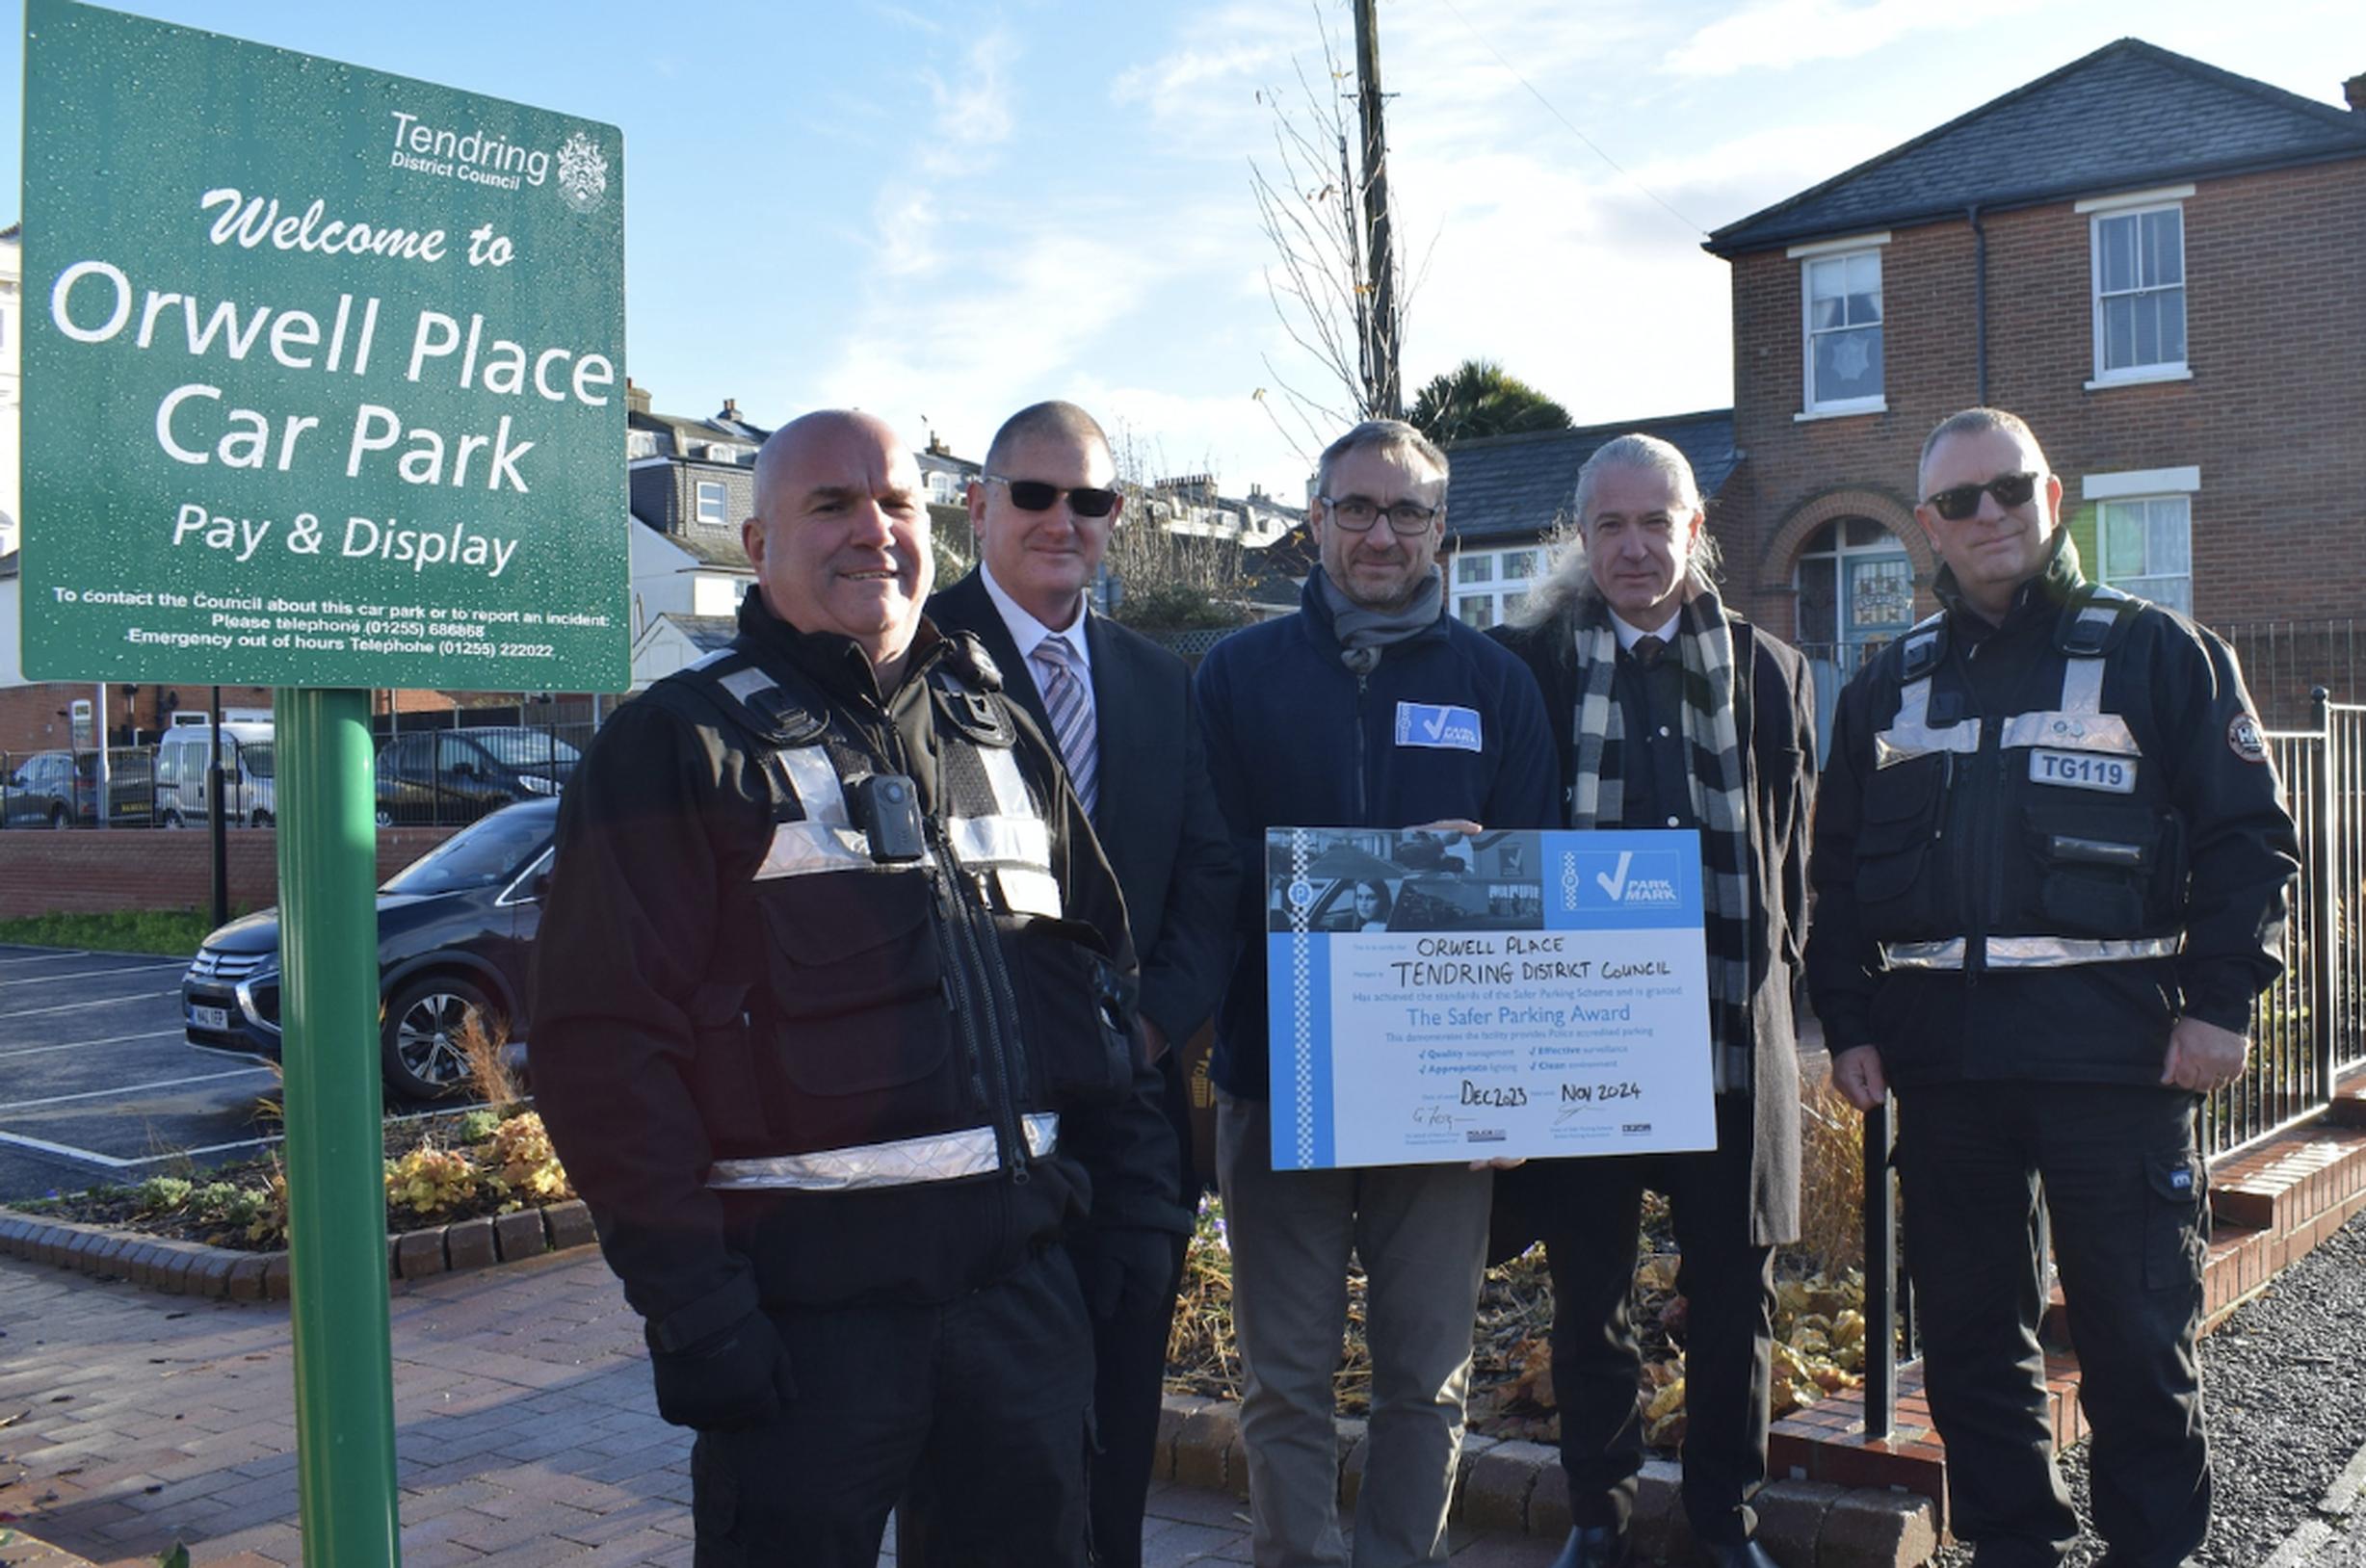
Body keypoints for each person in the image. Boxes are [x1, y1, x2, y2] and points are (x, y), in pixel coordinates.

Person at [528, 409, 1181, 1568]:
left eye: (894, 504)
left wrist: (1127, 1229)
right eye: (830, 505)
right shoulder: (674, 744)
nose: (871, 530)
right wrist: (695, 1307)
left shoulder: (999, 728)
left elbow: (1098, 990)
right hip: (801, 1334)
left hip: (1021, 1312)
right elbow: (601, 1053)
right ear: (756, 535)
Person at [1808, 407, 2300, 1567]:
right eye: (1959, 500)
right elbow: (1830, 877)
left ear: (2051, 495)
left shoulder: (2155, 650)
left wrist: (2220, 1003)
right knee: (1973, 1338)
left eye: (2007, 488)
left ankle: (2151, 1551)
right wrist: (1847, 1021)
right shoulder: (1884, 684)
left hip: (2112, 1062)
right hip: (1945, 1068)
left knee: (2133, 1331)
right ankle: (2011, 1546)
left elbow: (2247, 842)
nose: (1988, 515)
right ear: (1925, 523)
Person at [1196, 418, 1558, 1568]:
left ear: (1441, 530)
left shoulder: (1495, 683)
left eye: (1406, 511)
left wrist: (1514, 1087)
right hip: (1279, 1067)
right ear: (1313, 520)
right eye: (1355, 507)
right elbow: (1201, 862)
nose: (1380, 532)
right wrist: (1368, 868)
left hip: (1440, 1091)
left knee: (1425, 1377)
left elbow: (1535, 887)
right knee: (1284, 1377)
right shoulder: (1235, 674)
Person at [1490, 434, 1817, 1568]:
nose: (1634, 547)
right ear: (1580, 538)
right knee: (1588, 1300)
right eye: (1610, 525)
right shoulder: (1524, 665)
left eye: (1655, 521)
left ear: (1694, 527)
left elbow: (1792, 866)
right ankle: (1599, 1511)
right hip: (1585, 1049)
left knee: (1736, 1301)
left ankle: (1726, 1517)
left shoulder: (1771, 669)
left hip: (1729, 1040)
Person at [920, 399, 1234, 1568]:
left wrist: (1153, 1029)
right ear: (979, 504)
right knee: (979, 1442)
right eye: (1034, 494)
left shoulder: (1158, 679)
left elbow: (1208, 875)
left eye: (1089, 499)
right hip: (973, 1120)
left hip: (1131, 1116)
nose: (1063, 519)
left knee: (1119, 1424)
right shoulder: (910, 649)